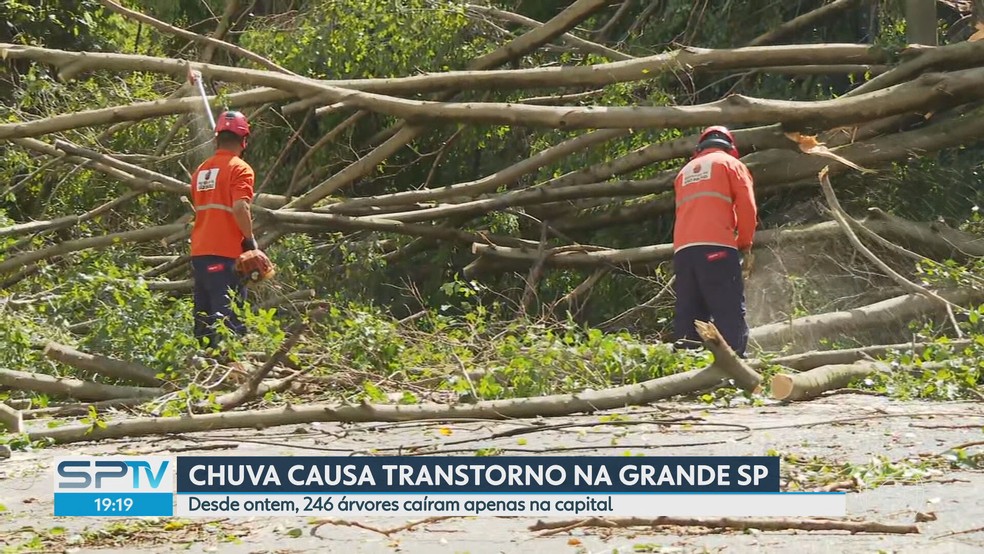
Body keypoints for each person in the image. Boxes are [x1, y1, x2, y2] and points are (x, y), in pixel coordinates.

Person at [671, 125, 758, 357]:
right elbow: (747, 208)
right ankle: (735, 368)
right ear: (730, 147)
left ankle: (684, 369)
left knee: (689, 312)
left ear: (700, 147)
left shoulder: (684, 172)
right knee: (728, 310)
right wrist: (745, 242)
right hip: (717, 246)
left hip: (683, 252)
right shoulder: (731, 165)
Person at [189, 110, 258, 354]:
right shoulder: (240, 169)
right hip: (226, 252)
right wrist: (249, 240)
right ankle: (231, 368)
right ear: (244, 141)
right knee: (229, 315)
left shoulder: (201, 171)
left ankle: (202, 366)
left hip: (200, 251)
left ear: (216, 139)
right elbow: (240, 207)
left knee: (204, 313)